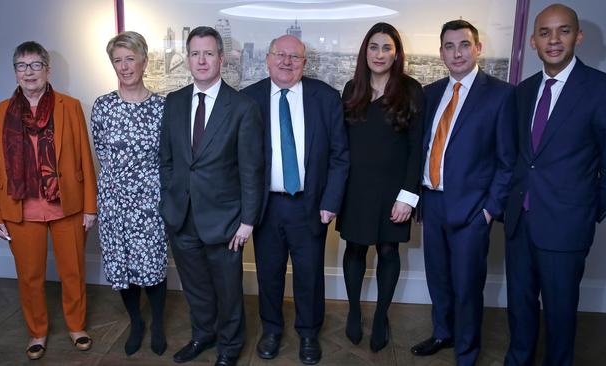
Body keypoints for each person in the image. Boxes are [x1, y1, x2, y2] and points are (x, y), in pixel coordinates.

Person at [503, 4, 606, 366]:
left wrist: (586, 210)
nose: (554, 40)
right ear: (533, 41)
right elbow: (520, 157)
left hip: (566, 226)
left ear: (579, 36)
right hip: (519, 223)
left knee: (560, 315)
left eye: (563, 31)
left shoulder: (605, 91)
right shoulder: (523, 92)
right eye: (545, 32)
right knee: (519, 307)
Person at [410, 20, 516, 365]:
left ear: (478, 48)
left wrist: (489, 210)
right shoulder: (430, 93)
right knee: (438, 279)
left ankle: (467, 351)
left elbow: (507, 160)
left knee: (468, 287)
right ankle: (443, 332)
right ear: (441, 52)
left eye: (464, 45)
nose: (457, 52)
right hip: (433, 203)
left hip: (472, 210)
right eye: (450, 46)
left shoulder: (500, 95)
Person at [159, 26, 264, 366]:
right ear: (187, 59)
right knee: (196, 288)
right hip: (181, 216)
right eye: (194, 53)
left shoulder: (242, 107)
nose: (201, 60)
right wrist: (168, 203)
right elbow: (167, 160)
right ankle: (203, 335)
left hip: (226, 220)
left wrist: (247, 221)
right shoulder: (173, 103)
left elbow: (251, 170)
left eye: (208, 53)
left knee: (229, 290)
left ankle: (230, 348)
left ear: (221, 58)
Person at [241, 35, 349, 365]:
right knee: (268, 273)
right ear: (268, 59)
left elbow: (339, 156)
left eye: (295, 57)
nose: (287, 62)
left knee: (309, 273)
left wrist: (330, 201)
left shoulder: (326, 97)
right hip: (266, 206)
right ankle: (271, 329)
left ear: (305, 62)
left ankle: (308, 333)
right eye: (280, 55)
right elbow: (239, 159)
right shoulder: (249, 99)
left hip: (311, 204)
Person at [0, 41, 97, 360]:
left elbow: (84, 160)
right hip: (20, 208)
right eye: (22, 66)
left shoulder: (70, 105)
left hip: (67, 205)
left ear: (48, 69)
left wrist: (90, 207)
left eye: (35, 65)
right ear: (15, 72)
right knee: (30, 275)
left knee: (73, 270)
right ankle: (37, 331)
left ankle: (77, 326)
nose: (29, 72)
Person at [336, 22, 424, 352]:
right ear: (365, 52)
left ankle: (381, 316)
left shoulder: (412, 90)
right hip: (356, 189)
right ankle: (355, 312)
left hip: (394, 192)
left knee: (388, 251)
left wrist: (409, 196)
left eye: (387, 48)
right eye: (374, 47)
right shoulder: (351, 89)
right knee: (355, 250)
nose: (380, 54)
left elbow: (418, 149)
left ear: (396, 54)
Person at [91, 31, 168, 357]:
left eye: (130, 58)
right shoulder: (103, 106)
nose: (124, 66)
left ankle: (159, 323)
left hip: (151, 203)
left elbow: (169, 157)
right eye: (117, 60)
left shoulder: (162, 107)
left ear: (144, 61)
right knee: (122, 267)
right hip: (114, 203)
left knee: (152, 266)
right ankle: (136, 322)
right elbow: (100, 152)